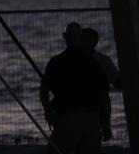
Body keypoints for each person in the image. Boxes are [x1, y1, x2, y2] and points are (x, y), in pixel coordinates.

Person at [39, 23, 108, 154]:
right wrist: (106, 124)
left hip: (67, 119)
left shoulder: (56, 62)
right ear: (81, 38)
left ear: (65, 37)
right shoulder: (92, 62)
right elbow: (104, 96)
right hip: (91, 119)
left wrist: (48, 111)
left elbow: (44, 91)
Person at [81, 27, 120, 142]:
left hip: (90, 111)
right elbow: (116, 81)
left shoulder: (103, 61)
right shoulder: (104, 60)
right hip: (96, 111)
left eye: (82, 39)